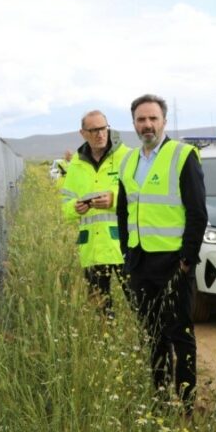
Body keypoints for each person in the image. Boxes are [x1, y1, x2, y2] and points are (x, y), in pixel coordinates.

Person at [116, 94, 208, 407]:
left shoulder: (183, 156)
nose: (147, 125)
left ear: (164, 122)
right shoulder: (128, 161)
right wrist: (126, 254)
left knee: (180, 335)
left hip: (173, 264)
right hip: (140, 263)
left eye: (153, 118)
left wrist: (186, 261)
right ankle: (159, 398)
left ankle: (186, 403)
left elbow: (198, 213)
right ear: (134, 124)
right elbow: (123, 211)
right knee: (153, 335)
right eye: (141, 119)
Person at [60, 110, 130, 304]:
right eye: (94, 130)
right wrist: (75, 208)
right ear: (83, 133)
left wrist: (114, 200)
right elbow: (65, 204)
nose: (100, 134)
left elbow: (141, 197)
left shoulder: (128, 157)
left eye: (103, 128)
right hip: (92, 249)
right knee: (99, 308)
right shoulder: (76, 163)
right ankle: (105, 334)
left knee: (138, 304)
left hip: (124, 246)